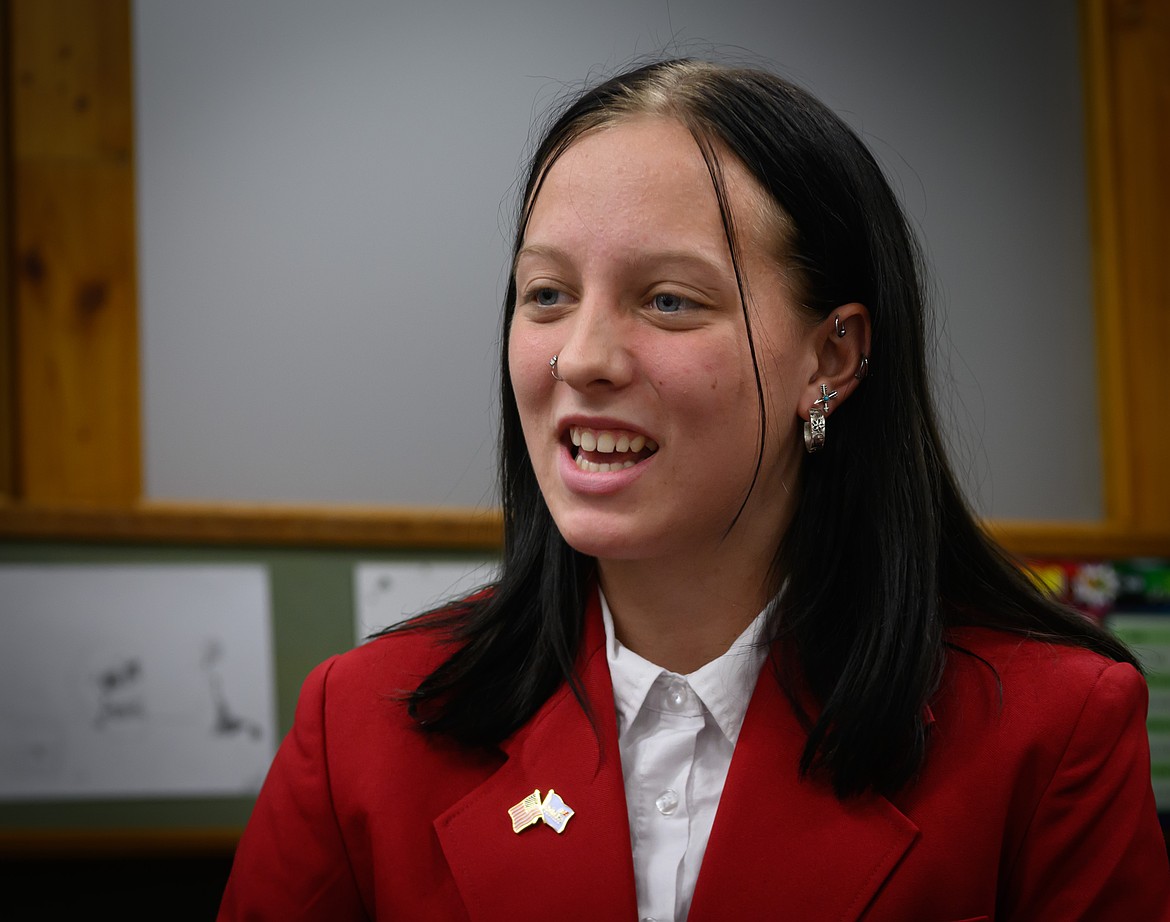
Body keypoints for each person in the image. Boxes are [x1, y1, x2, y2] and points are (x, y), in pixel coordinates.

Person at [219, 59, 1170, 921]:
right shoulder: (362, 721)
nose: (581, 358)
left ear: (832, 355)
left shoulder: (1053, 732)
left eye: (669, 300)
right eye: (546, 295)